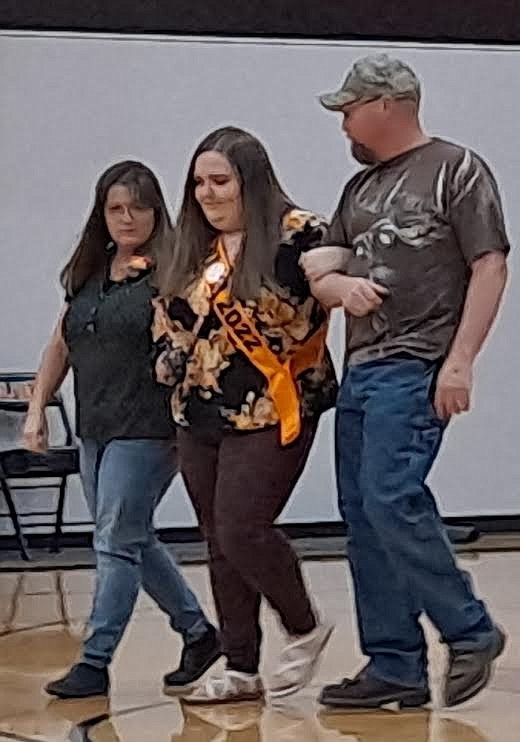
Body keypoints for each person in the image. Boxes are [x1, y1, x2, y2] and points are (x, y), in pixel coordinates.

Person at [302, 54, 510, 709]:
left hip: (417, 364)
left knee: (392, 496)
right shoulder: (357, 191)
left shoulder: (456, 169)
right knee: (364, 517)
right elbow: (323, 270)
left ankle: (470, 629)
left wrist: (461, 359)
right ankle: (394, 664)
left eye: (350, 110)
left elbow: (490, 265)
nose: (344, 125)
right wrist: (336, 286)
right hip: (361, 370)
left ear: (388, 104)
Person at [153, 127, 338, 703]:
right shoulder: (190, 247)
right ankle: (240, 666)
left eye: (220, 181)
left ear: (250, 181)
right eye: (199, 183)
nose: (208, 193)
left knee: (242, 527)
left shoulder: (300, 234)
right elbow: (168, 323)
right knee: (216, 538)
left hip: (273, 406)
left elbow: (323, 293)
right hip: (198, 410)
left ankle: (305, 626)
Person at [23, 161, 220, 699]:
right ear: (102, 214)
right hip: (96, 426)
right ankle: (199, 634)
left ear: (157, 210)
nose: (126, 217)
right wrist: (38, 408)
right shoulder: (89, 273)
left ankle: (95, 659)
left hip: (151, 428)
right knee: (131, 537)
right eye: (115, 208)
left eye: (137, 206)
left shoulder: (175, 272)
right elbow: (60, 345)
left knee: (113, 540)